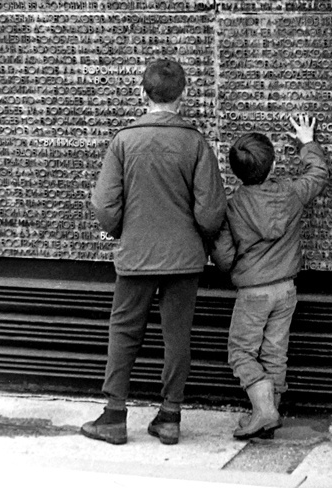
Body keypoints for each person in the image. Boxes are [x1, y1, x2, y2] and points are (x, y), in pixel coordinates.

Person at [81, 58, 226, 446]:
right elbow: (211, 210)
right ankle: (170, 417)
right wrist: (198, 235)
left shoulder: (124, 141)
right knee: (177, 335)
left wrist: (121, 231)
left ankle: (113, 416)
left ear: (143, 93)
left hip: (137, 255)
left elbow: (105, 205)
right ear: (184, 95)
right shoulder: (195, 143)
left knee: (124, 331)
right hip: (184, 258)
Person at [211, 113, 329, 439]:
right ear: (274, 164)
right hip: (286, 290)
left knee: (241, 353)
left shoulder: (233, 208)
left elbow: (223, 256)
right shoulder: (292, 192)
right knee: (275, 353)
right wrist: (307, 143)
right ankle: (269, 413)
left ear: (236, 172)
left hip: (253, 292)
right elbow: (318, 173)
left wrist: (231, 264)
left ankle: (263, 410)